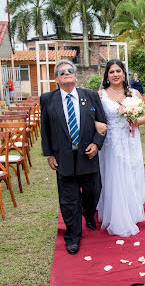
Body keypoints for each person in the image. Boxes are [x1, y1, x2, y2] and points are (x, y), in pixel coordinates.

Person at [40, 60, 107, 255]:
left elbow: (101, 123)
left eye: (70, 71)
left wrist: (97, 144)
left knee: (94, 190)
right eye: (62, 72)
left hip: (88, 154)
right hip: (64, 157)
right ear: (56, 79)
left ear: (76, 76)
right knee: (69, 200)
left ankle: (88, 213)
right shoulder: (47, 99)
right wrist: (49, 154)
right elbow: (44, 128)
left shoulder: (91, 96)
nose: (67, 74)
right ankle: (73, 236)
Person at [96, 59, 145, 237]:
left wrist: (134, 119)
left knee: (131, 174)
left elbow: (144, 117)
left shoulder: (134, 93)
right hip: (111, 142)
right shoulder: (101, 95)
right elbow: (94, 118)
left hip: (130, 140)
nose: (115, 74)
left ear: (124, 73)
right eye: (111, 72)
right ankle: (115, 214)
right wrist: (97, 124)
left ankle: (131, 212)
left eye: (118, 71)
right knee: (113, 176)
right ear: (107, 75)